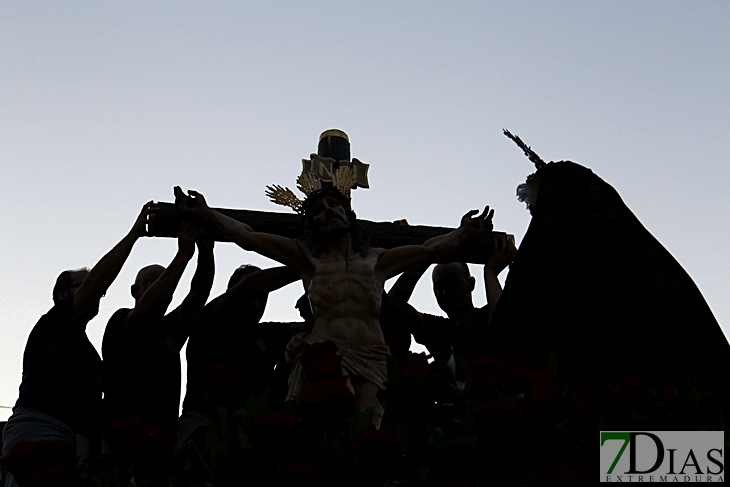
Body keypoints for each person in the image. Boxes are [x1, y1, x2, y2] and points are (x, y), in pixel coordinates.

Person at [174, 185, 494, 426]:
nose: (330, 210)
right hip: (325, 355)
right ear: (312, 223)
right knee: (324, 431)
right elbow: (249, 236)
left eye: (335, 204)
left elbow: (428, 250)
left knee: (370, 430)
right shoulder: (307, 260)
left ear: (347, 213)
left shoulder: (376, 260)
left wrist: (465, 231)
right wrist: (206, 213)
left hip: (371, 356)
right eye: (319, 209)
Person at [2, 203, 157, 486]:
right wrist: (135, 234)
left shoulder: (85, 349)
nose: (95, 295)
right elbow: (99, 281)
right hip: (43, 431)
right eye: (83, 287)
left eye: (95, 291)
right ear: (62, 295)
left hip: (75, 438)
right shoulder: (53, 324)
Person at [101, 220, 214, 437]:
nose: (163, 288)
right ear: (135, 290)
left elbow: (198, 295)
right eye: (152, 283)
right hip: (122, 436)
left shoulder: (169, 328)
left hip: (162, 438)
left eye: (166, 283)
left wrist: (206, 250)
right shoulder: (121, 320)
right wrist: (183, 255)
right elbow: (146, 309)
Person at [178, 265, 300, 448]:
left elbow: (310, 328)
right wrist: (304, 264)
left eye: (262, 296)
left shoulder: (267, 334)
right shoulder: (208, 321)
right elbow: (249, 285)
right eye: (250, 295)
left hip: (250, 430)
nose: (255, 303)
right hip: (202, 424)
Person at [388, 237, 517, 361]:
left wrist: (491, 272)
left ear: (471, 284)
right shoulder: (435, 329)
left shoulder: (485, 315)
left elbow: (502, 322)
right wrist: (428, 255)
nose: (446, 292)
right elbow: (392, 304)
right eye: (439, 286)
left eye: (454, 283)